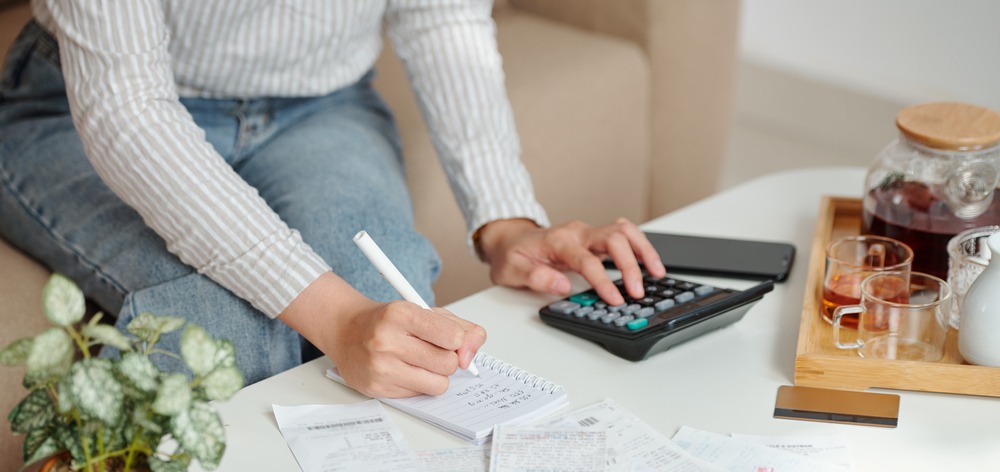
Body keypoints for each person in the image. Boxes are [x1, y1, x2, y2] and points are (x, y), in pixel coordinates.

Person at [0, 0, 665, 398]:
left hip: (321, 103)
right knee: (212, 330)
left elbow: (439, 15)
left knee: (390, 303)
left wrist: (506, 219)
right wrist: (339, 319)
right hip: (80, 106)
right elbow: (129, 113)